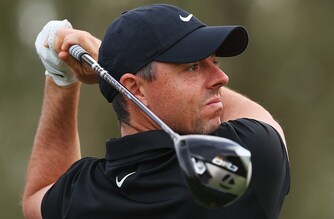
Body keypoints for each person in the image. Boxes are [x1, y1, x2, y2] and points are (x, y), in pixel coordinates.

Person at [22, 3, 290, 219]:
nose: (221, 77)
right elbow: (265, 123)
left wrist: (60, 79)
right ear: (135, 90)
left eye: (214, 61)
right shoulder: (244, 161)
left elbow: (36, 198)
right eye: (193, 67)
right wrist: (104, 55)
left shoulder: (84, 194)